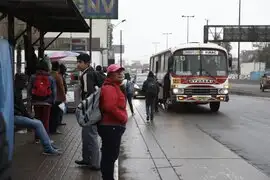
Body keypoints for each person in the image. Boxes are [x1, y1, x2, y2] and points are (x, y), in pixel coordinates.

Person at [14, 73, 61, 155]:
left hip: (16, 114)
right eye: (25, 82)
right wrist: (29, 116)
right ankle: (48, 148)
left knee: (39, 122)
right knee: (38, 123)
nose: (26, 84)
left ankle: (49, 145)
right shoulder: (16, 91)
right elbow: (21, 107)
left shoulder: (14, 89)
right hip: (13, 117)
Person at [99, 64, 128, 180]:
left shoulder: (114, 86)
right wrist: (123, 118)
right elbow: (109, 107)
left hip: (112, 126)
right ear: (110, 74)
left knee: (109, 155)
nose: (120, 73)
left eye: (121, 71)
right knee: (109, 157)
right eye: (117, 72)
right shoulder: (110, 88)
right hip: (111, 126)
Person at [75, 53, 101, 170]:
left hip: (89, 110)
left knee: (90, 135)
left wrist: (84, 109)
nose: (78, 64)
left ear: (87, 63)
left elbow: (88, 94)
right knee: (86, 134)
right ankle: (86, 159)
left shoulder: (87, 75)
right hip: (93, 109)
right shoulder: (90, 73)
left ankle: (95, 163)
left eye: (80, 62)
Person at [28, 60, 56, 140]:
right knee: (46, 121)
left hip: (36, 101)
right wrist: (52, 101)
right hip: (47, 102)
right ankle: (45, 138)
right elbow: (54, 91)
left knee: (37, 120)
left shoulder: (33, 77)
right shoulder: (50, 77)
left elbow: (29, 89)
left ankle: (37, 138)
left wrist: (30, 101)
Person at [50, 61, 66, 134]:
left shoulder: (49, 74)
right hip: (58, 98)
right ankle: (54, 130)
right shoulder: (57, 75)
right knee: (56, 114)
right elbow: (61, 87)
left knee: (51, 114)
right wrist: (64, 97)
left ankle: (49, 128)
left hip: (50, 98)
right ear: (58, 68)